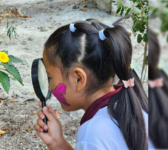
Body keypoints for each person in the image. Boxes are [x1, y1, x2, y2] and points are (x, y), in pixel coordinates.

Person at [33, 17, 148, 150]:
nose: (49, 86)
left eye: (50, 77)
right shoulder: (134, 103)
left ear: (78, 79)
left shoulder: (92, 134)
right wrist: (57, 143)